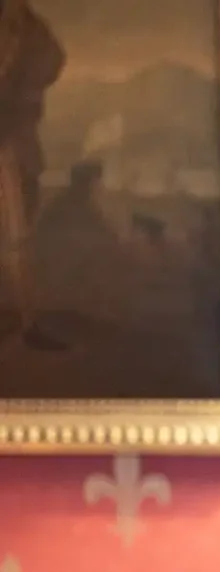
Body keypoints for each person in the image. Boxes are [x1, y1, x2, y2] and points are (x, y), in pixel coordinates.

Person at [0, 0, 63, 348]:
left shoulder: (22, 22)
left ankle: (28, 323)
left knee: (17, 235)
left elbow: (51, 57)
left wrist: (22, 92)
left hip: (8, 138)